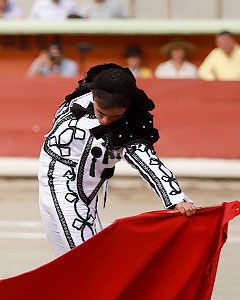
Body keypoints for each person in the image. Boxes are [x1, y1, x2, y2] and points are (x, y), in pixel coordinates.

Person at [38, 63, 195, 257]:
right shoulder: (83, 95)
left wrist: (176, 198)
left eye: (114, 116)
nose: (105, 121)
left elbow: (148, 162)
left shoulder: (129, 128)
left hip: (74, 191)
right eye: (101, 113)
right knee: (66, 259)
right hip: (48, 180)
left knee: (84, 259)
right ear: (93, 95)